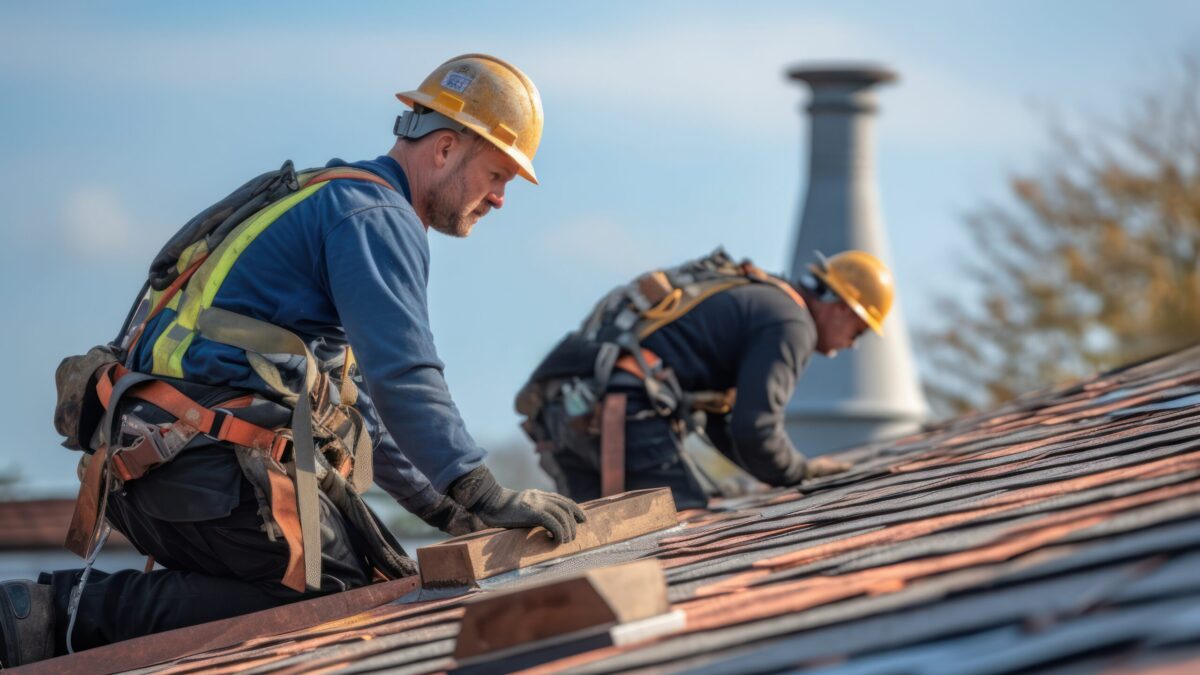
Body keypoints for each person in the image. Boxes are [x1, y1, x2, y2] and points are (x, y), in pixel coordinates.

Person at [0, 53, 584, 667]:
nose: (499, 200)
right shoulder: (376, 217)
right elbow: (404, 376)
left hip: (151, 468)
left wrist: (449, 510)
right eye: (498, 175)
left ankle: (51, 619)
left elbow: (363, 419)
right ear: (443, 150)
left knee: (373, 582)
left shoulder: (330, 200)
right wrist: (482, 490)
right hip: (202, 469)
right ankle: (63, 615)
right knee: (344, 605)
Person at [517, 249, 895, 510]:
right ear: (843, 308)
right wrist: (799, 472)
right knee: (676, 530)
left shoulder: (759, 301)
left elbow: (722, 426)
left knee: (590, 550)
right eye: (858, 332)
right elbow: (755, 429)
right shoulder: (791, 324)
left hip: (565, 412)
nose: (850, 346)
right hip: (623, 410)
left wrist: (784, 471)